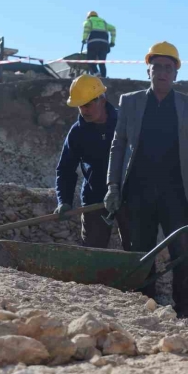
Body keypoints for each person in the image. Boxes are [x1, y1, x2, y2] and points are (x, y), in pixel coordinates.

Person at [105, 41, 188, 321]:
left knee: (182, 252)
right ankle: (145, 305)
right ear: (148, 70)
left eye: (167, 67)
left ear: (175, 72)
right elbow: (118, 145)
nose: (161, 72)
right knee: (141, 252)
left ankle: (185, 308)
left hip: (177, 193)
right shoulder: (131, 102)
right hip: (138, 192)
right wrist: (113, 186)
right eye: (156, 67)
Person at [55, 75, 127, 248]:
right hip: (94, 200)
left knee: (137, 247)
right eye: (80, 106)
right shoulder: (77, 133)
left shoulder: (124, 123)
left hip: (128, 197)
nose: (84, 110)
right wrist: (64, 200)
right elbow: (65, 169)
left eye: (87, 104)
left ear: (102, 100)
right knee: (92, 249)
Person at [82, 11, 116, 78]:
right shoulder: (104, 23)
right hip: (104, 44)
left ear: (88, 16)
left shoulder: (88, 21)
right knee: (102, 62)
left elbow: (86, 30)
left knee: (90, 60)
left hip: (93, 43)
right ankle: (103, 78)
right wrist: (112, 42)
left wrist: (84, 39)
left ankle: (96, 73)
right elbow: (113, 29)